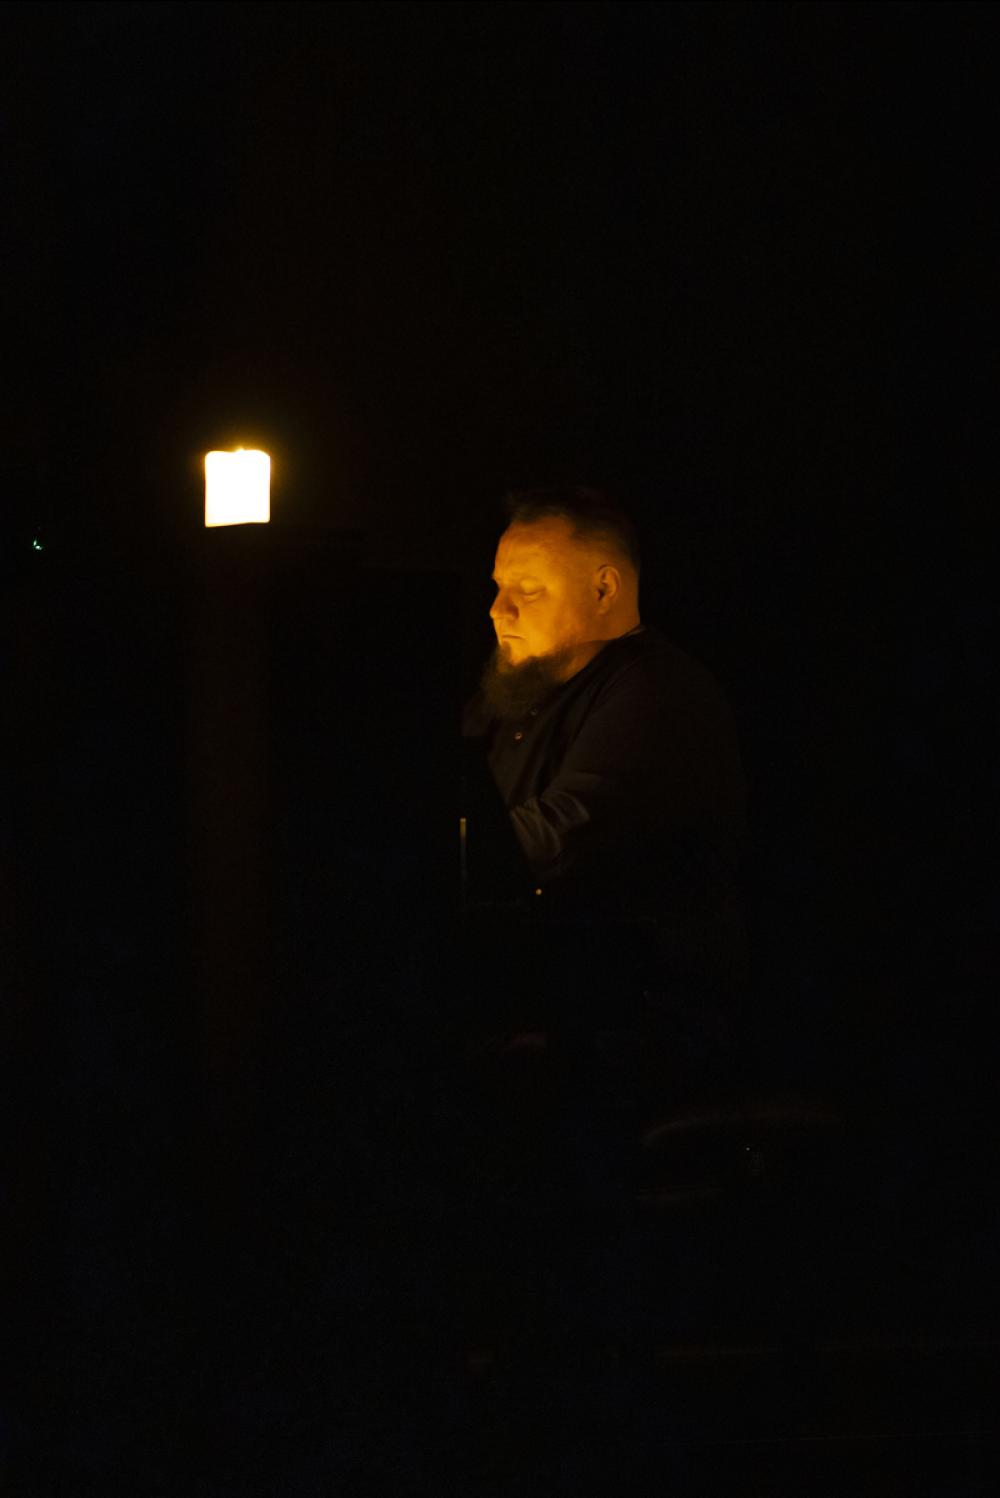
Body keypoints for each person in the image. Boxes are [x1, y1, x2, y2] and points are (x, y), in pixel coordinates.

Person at [461, 486, 751, 1062]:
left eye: (527, 589)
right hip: (545, 1000)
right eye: (498, 587)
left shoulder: (657, 691)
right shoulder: (512, 696)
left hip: (635, 1027)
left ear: (603, 589)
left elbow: (563, 833)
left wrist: (424, 858)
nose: (498, 609)